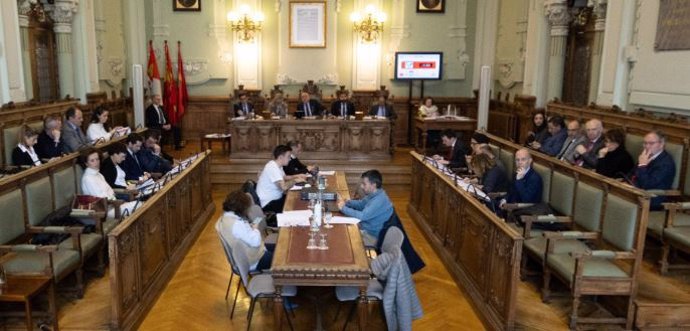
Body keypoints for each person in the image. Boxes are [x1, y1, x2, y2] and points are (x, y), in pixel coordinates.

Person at [217, 190, 274, 270]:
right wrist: (255, 228)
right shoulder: (236, 224)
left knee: (278, 248)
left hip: (248, 254)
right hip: (253, 260)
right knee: (281, 257)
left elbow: (241, 233)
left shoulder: (226, 218)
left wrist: (248, 227)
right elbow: (256, 242)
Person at [337, 170, 394, 246]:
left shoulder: (379, 200)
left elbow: (362, 216)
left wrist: (343, 208)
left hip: (372, 237)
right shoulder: (374, 194)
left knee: (342, 241)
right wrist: (347, 202)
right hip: (365, 230)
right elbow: (361, 204)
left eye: (364, 184)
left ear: (373, 185)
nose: (361, 186)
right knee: (341, 233)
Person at [79, 150, 139, 218]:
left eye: (97, 159)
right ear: (86, 163)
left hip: (113, 204)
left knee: (140, 204)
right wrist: (117, 202)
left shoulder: (98, 174)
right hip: (104, 211)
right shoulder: (88, 179)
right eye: (92, 160)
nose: (96, 162)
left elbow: (110, 191)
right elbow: (100, 199)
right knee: (139, 205)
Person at [256, 145, 307, 213]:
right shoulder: (272, 167)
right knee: (296, 205)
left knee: (298, 199)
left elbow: (284, 177)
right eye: (288, 156)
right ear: (281, 157)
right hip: (269, 204)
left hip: (276, 199)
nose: (289, 159)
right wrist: (295, 180)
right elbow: (283, 187)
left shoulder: (277, 165)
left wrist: (297, 175)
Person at [633, 131, 676, 210]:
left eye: (651, 143)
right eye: (645, 143)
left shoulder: (666, 163)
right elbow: (632, 174)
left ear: (661, 144)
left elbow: (647, 184)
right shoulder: (646, 156)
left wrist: (642, 165)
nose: (647, 146)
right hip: (636, 194)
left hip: (651, 200)